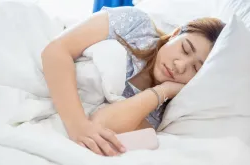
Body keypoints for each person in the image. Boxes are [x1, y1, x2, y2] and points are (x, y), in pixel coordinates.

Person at [41, 6, 225, 156]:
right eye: (185, 49)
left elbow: (102, 126)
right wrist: (77, 124)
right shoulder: (136, 24)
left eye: (195, 69)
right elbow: (56, 50)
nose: (180, 65)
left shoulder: (161, 112)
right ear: (175, 34)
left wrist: (163, 91)